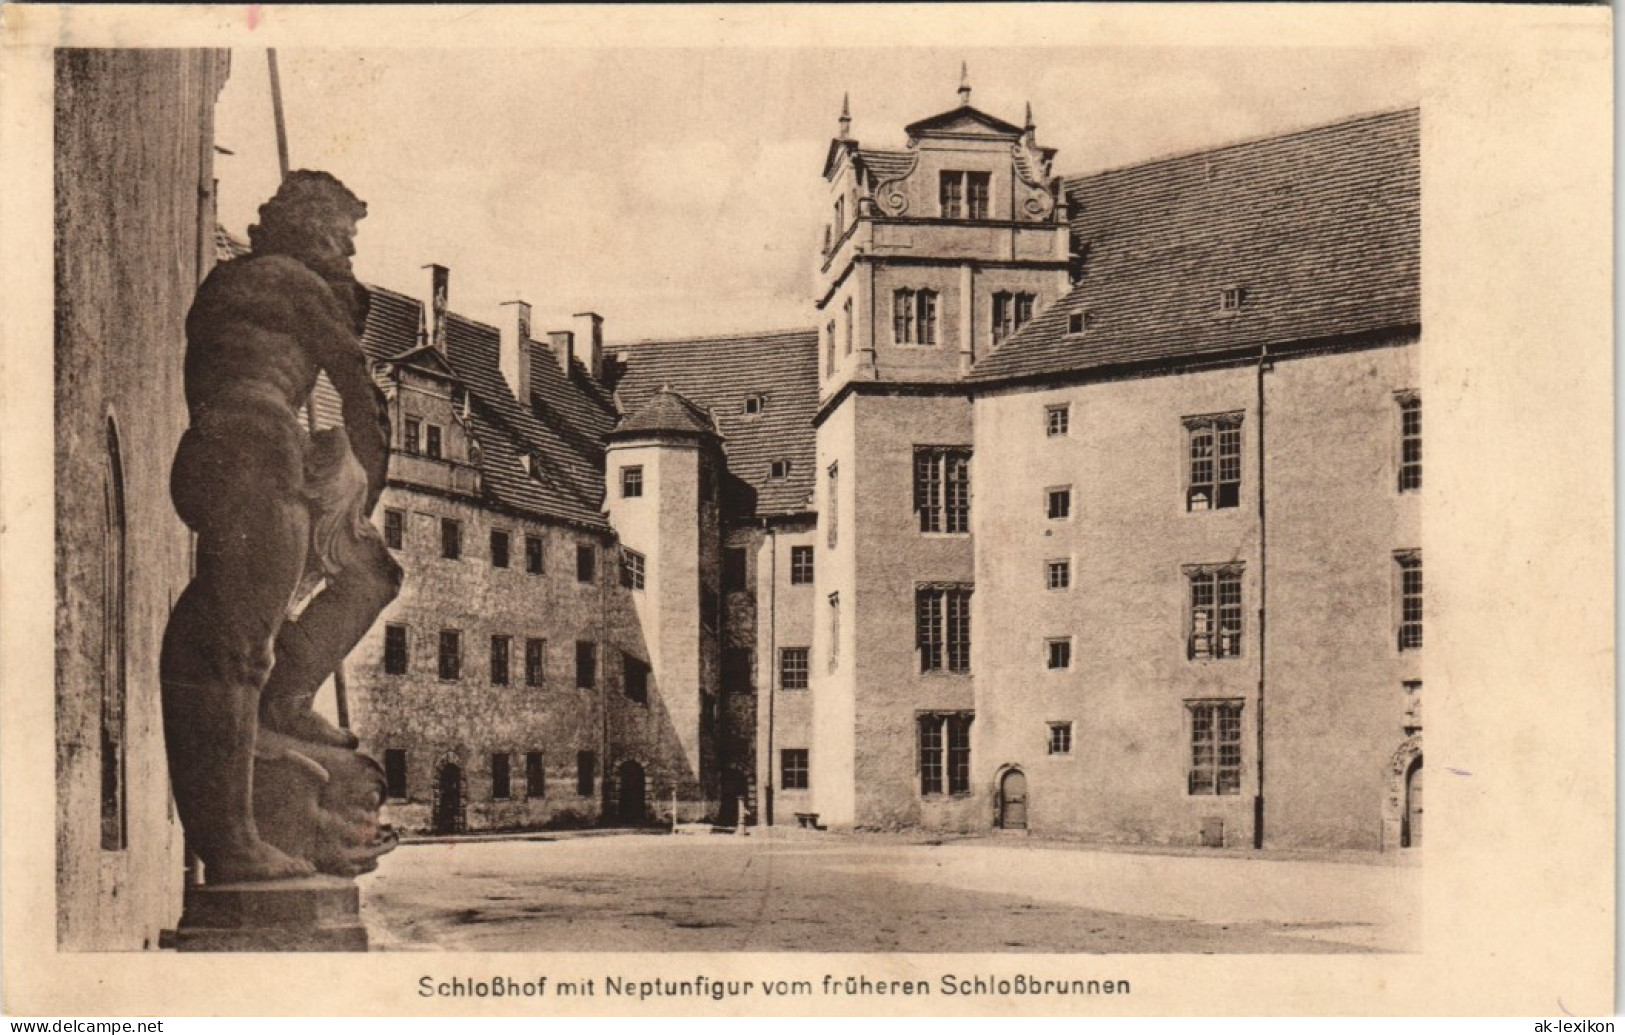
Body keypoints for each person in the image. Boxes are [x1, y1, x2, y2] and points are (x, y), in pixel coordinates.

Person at [159, 171, 399, 883]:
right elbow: (358, 388)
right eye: (345, 236)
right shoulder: (291, 281)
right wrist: (366, 490)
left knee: (372, 574)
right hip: (256, 446)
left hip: (233, 448)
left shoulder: (239, 282)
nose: (350, 252)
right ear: (313, 226)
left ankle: (286, 702)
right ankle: (233, 843)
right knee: (237, 650)